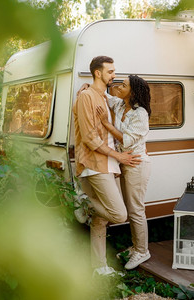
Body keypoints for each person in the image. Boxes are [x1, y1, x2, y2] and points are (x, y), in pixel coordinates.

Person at [72, 56, 141, 276]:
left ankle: (99, 266)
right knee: (119, 215)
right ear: (97, 73)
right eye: (110, 72)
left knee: (100, 220)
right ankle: (82, 202)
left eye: (114, 71)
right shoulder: (87, 97)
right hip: (94, 163)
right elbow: (90, 137)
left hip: (109, 164)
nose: (114, 75)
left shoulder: (103, 97)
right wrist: (118, 157)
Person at [80, 75, 152, 270]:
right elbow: (102, 94)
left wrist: (107, 124)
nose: (120, 86)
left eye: (124, 85)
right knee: (126, 208)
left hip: (136, 164)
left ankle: (142, 251)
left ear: (133, 92)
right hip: (122, 162)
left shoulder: (141, 114)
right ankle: (136, 246)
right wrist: (87, 86)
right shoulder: (120, 104)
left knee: (136, 209)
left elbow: (127, 140)